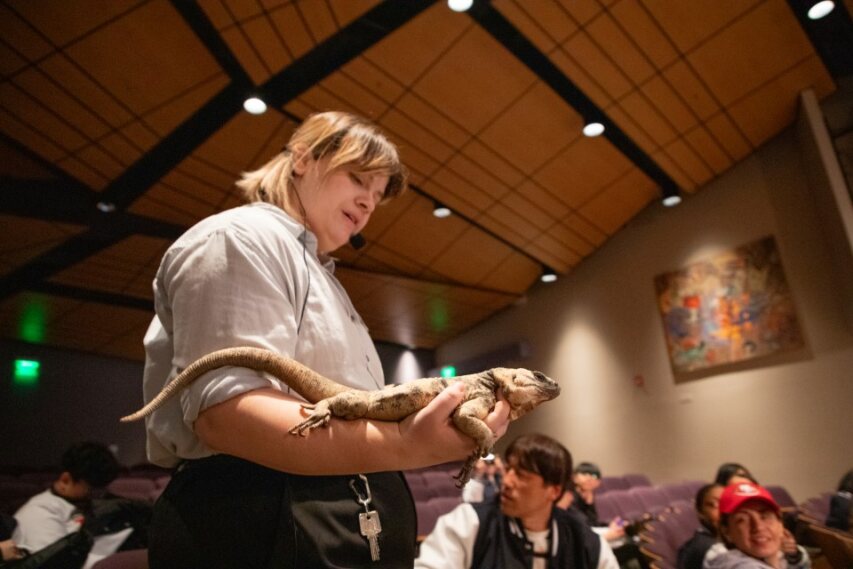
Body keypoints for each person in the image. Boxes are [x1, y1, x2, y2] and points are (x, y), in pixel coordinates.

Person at [141, 111, 511, 569]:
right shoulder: (239, 237)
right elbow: (226, 416)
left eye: (377, 196)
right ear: (302, 158)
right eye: (358, 178)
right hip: (256, 517)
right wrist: (407, 445)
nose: (368, 203)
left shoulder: (319, 271)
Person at [415, 433, 618, 569]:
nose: (507, 481)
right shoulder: (468, 524)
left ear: (554, 491)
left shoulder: (586, 542)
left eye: (522, 475)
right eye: (508, 469)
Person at [10, 441, 136, 569]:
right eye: (91, 489)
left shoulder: (83, 504)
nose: (97, 496)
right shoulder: (38, 513)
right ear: (66, 480)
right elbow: (55, 564)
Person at [703, 481, 809, 569]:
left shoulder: (777, 555)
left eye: (765, 516)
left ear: (780, 523)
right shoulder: (737, 565)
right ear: (727, 532)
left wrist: (793, 555)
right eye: (742, 520)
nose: (758, 527)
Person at [677, 483, 723, 569]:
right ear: (700, 512)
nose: (723, 511)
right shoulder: (707, 549)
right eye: (714, 505)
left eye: (727, 503)